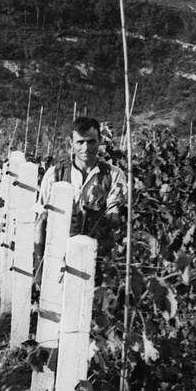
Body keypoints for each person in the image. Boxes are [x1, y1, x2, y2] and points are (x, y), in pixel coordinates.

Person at [34, 116, 128, 278]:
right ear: (71, 143)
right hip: (59, 257)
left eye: (91, 142)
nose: (86, 148)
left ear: (99, 141)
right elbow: (41, 220)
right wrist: (38, 263)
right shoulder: (55, 175)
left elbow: (115, 219)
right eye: (80, 142)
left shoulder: (113, 176)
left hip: (98, 260)